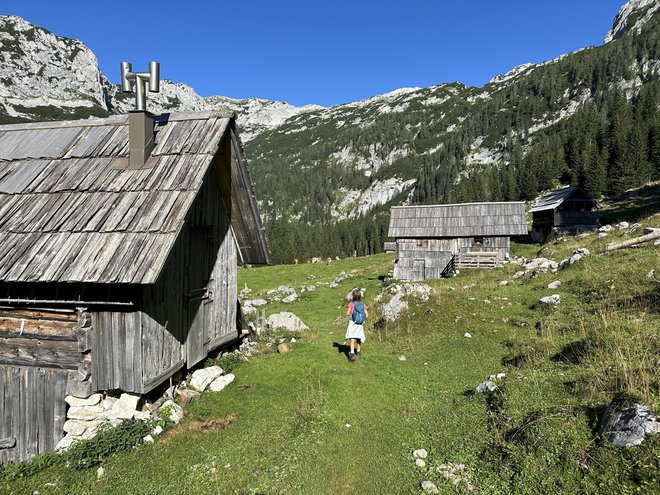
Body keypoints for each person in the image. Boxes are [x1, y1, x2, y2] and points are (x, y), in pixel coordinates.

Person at [345, 289, 368, 361]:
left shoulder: (351, 304)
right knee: (359, 337)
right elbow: (366, 315)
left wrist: (352, 315)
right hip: (360, 324)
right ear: (360, 296)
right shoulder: (363, 304)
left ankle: (352, 353)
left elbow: (347, 313)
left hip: (353, 323)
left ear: (353, 296)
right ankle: (358, 351)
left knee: (352, 337)